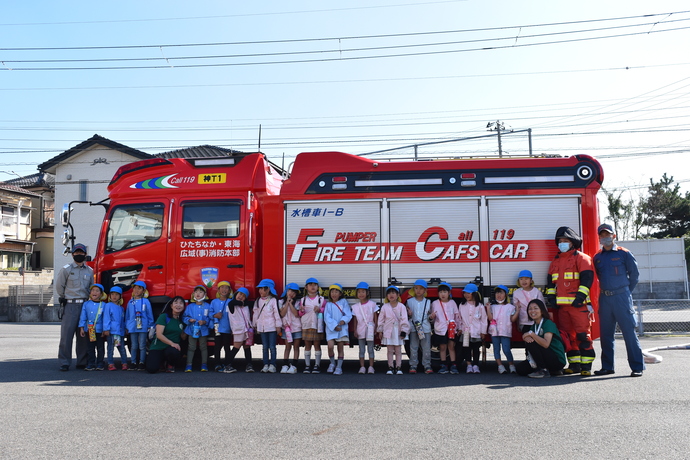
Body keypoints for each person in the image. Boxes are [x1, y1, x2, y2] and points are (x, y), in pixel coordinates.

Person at [593, 223, 645, 377]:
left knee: (629, 333)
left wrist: (625, 293)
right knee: (606, 335)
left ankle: (637, 367)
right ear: (599, 238)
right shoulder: (597, 257)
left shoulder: (624, 254)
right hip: (605, 299)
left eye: (607, 234)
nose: (605, 237)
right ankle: (607, 367)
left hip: (622, 297)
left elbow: (634, 276)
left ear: (614, 236)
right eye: (602, 235)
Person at [546, 226, 596, 376]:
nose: (562, 243)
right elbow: (550, 283)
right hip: (563, 308)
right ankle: (574, 364)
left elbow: (587, 281)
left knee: (583, 336)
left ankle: (586, 366)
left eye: (565, 241)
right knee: (568, 337)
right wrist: (551, 298)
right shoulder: (555, 261)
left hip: (578, 307)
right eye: (560, 241)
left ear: (572, 242)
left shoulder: (582, 258)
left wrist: (580, 298)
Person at [57, 243, 94, 371]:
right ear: (72, 254)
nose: (79, 255)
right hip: (70, 305)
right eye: (76, 253)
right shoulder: (66, 269)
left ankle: (82, 361)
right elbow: (59, 287)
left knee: (82, 335)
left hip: (84, 305)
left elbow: (92, 288)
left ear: (85, 254)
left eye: (81, 253)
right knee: (66, 335)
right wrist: (65, 297)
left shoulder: (90, 271)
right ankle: (64, 362)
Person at [517, 299, 567, 378]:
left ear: (542, 311)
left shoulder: (548, 323)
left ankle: (543, 370)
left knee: (532, 342)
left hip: (556, 359)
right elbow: (528, 336)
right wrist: (525, 337)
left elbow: (546, 344)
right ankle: (552, 371)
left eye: (536, 308)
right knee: (520, 369)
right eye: (530, 309)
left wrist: (531, 335)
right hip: (544, 358)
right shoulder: (534, 326)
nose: (532, 311)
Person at [146, 296, 187, 373]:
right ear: (171, 305)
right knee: (151, 369)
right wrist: (172, 343)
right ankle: (161, 362)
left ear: (184, 307)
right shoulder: (164, 316)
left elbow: (183, 338)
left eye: (181, 303)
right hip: (158, 346)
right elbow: (159, 335)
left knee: (174, 352)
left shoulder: (182, 320)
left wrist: (189, 328)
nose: (178, 305)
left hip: (171, 349)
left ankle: (170, 364)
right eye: (176, 303)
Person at [377, 286, 409, 375]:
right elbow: (381, 319)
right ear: (387, 296)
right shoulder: (384, 307)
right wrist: (380, 330)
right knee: (390, 350)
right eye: (389, 293)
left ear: (398, 295)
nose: (391, 295)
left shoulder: (401, 306)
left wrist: (404, 330)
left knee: (398, 350)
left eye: (393, 293)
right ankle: (390, 367)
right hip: (388, 330)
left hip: (398, 330)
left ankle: (399, 367)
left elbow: (404, 319)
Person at [429, 282, 460, 374]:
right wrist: (432, 317)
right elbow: (431, 316)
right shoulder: (435, 303)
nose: (443, 294)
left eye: (445, 292)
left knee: (451, 346)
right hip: (440, 328)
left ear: (449, 293)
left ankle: (453, 365)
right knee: (442, 347)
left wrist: (457, 327)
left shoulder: (452, 302)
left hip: (451, 329)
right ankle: (443, 365)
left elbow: (456, 315)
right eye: (440, 292)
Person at [487, 285, 518, 374]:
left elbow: (513, 319)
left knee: (506, 349)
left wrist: (518, 311)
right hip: (494, 331)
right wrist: (488, 309)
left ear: (506, 295)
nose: (499, 295)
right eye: (497, 293)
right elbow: (490, 318)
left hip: (505, 331)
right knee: (496, 349)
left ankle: (511, 365)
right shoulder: (493, 306)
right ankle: (500, 365)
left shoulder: (510, 307)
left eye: (501, 293)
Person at [253, 279, 282, 373]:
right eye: (259, 289)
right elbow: (255, 313)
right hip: (262, 327)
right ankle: (265, 364)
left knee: (272, 347)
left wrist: (278, 326)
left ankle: (273, 365)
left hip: (272, 327)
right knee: (265, 347)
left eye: (262, 289)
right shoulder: (258, 300)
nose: (260, 291)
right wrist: (255, 324)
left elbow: (276, 314)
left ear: (268, 289)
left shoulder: (273, 300)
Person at [458, 283, 487, 374]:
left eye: (469, 293)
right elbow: (459, 318)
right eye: (465, 293)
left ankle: (476, 365)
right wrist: (459, 328)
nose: (466, 295)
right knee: (466, 348)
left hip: (476, 331)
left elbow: (483, 319)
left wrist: (483, 331)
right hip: (465, 331)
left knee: (476, 348)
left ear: (474, 294)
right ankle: (469, 365)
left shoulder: (480, 306)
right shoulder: (462, 305)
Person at [125, 280, 154, 371]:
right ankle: (133, 362)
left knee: (142, 345)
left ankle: (142, 362)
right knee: (134, 345)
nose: (136, 290)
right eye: (135, 288)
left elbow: (150, 314)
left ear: (143, 291)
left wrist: (150, 325)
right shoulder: (130, 302)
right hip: (133, 326)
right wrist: (127, 326)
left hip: (143, 326)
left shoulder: (146, 301)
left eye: (139, 288)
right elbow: (127, 316)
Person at [298, 277, 326, 373]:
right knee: (307, 344)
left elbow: (326, 310)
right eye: (310, 285)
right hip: (306, 324)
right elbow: (300, 314)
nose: (312, 287)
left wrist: (320, 310)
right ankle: (307, 365)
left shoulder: (321, 299)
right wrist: (301, 311)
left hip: (317, 324)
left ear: (318, 287)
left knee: (317, 344)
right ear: (306, 287)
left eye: (315, 285)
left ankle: (317, 365)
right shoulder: (303, 300)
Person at [223, 287, 254, 373]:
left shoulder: (245, 306)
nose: (241, 296)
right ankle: (227, 365)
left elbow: (253, 303)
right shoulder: (231, 304)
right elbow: (234, 302)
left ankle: (249, 365)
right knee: (236, 347)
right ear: (235, 294)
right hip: (238, 329)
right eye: (240, 294)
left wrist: (244, 303)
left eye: (243, 296)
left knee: (247, 347)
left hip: (247, 329)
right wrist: (243, 302)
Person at [324, 284, 352, 375]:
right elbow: (326, 317)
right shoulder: (328, 304)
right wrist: (334, 325)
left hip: (341, 329)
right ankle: (332, 363)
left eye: (336, 292)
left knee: (340, 348)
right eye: (332, 292)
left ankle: (339, 367)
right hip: (331, 329)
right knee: (330, 346)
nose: (334, 294)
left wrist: (343, 321)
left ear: (340, 294)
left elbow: (348, 313)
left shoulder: (343, 302)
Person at [78, 283, 107, 371]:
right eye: (93, 290)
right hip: (89, 329)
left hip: (99, 330)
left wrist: (104, 329)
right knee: (90, 347)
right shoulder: (86, 304)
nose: (94, 292)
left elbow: (105, 318)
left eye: (97, 291)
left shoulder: (103, 305)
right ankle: (91, 363)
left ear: (101, 294)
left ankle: (100, 363)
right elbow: (83, 316)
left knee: (100, 347)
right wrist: (82, 328)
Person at [406, 279, 433, 374]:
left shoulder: (428, 302)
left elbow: (430, 317)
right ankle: (413, 365)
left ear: (425, 290)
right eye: (416, 288)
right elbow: (406, 316)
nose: (418, 290)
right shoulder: (409, 302)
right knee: (413, 347)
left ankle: (427, 365)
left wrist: (431, 317)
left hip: (425, 328)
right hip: (413, 328)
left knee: (426, 347)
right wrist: (409, 314)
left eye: (421, 289)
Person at [351, 281, 379, 374]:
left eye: (363, 291)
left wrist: (376, 328)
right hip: (360, 329)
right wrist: (355, 330)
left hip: (370, 329)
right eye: (359, 292)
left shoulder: (372, 304)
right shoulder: (355, 307)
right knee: (361, 349)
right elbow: (355, 320)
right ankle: (362, 367)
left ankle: (371, 367)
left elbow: (375, 316)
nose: (361, 294)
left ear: (367, 293)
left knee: (370, 349)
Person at [183, 285, 212, 372]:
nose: (198, 294)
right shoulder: (190, 306)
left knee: (203, 347)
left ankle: (204, 364)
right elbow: (184, 317)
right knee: (191, 347)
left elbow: (211, 317)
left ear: (205, 294)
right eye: (196, 292)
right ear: (193, 294)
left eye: (200, 292)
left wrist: (205, 322)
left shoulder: (208, 306)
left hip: (203, 330)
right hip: (192, 330)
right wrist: (189, 320)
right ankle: (188, 364)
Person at [102, 286, 130, 371]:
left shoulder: (121, 308)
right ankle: (110, 363)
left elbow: (123, 320)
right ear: (109, 296)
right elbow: (106, 318)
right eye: (112, 294)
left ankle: (124, 363)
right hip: (111, 331)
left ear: (120, 296)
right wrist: (106, 329)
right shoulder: (108, 305)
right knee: (110, 348)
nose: (114, 296)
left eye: (117, 295)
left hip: (119, 332)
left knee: (121, 348)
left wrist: (125, 328)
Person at [511, 270, 545, 334]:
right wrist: (518, 323)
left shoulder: (537, 292)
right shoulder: (516, 293)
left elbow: (543, 307)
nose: (524, 281)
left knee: (537, 340)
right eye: (521, 279)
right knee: (527, 340)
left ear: (531, 280)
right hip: (524, 322)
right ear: (518, 281)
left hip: (536, 321)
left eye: (526, 279)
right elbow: (516, 309)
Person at [279, 282, 302, 374]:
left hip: (296, 327)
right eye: (290, 291)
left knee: (296, 347)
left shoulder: (298, 302)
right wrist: (287, 304)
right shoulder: (280, 302)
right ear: (286, 291)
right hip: (286, 328)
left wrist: (291, 304)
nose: (292, 294)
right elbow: (282, 314)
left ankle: (294, 365)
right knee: (287, 347)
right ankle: (285, 364)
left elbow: (296, 314)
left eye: (294, 292)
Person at [210, 281, 233, 372]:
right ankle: (217, 364)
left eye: (226, 288)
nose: (224, 289)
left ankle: (228, 363)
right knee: (217, 346)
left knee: (227, 347)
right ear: (218, 290)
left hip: (227, 328)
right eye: (222, 287)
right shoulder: (214, 302)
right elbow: (209, 313)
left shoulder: (230, 302)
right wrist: (215, 315)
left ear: (229, 291)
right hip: (217, 328)